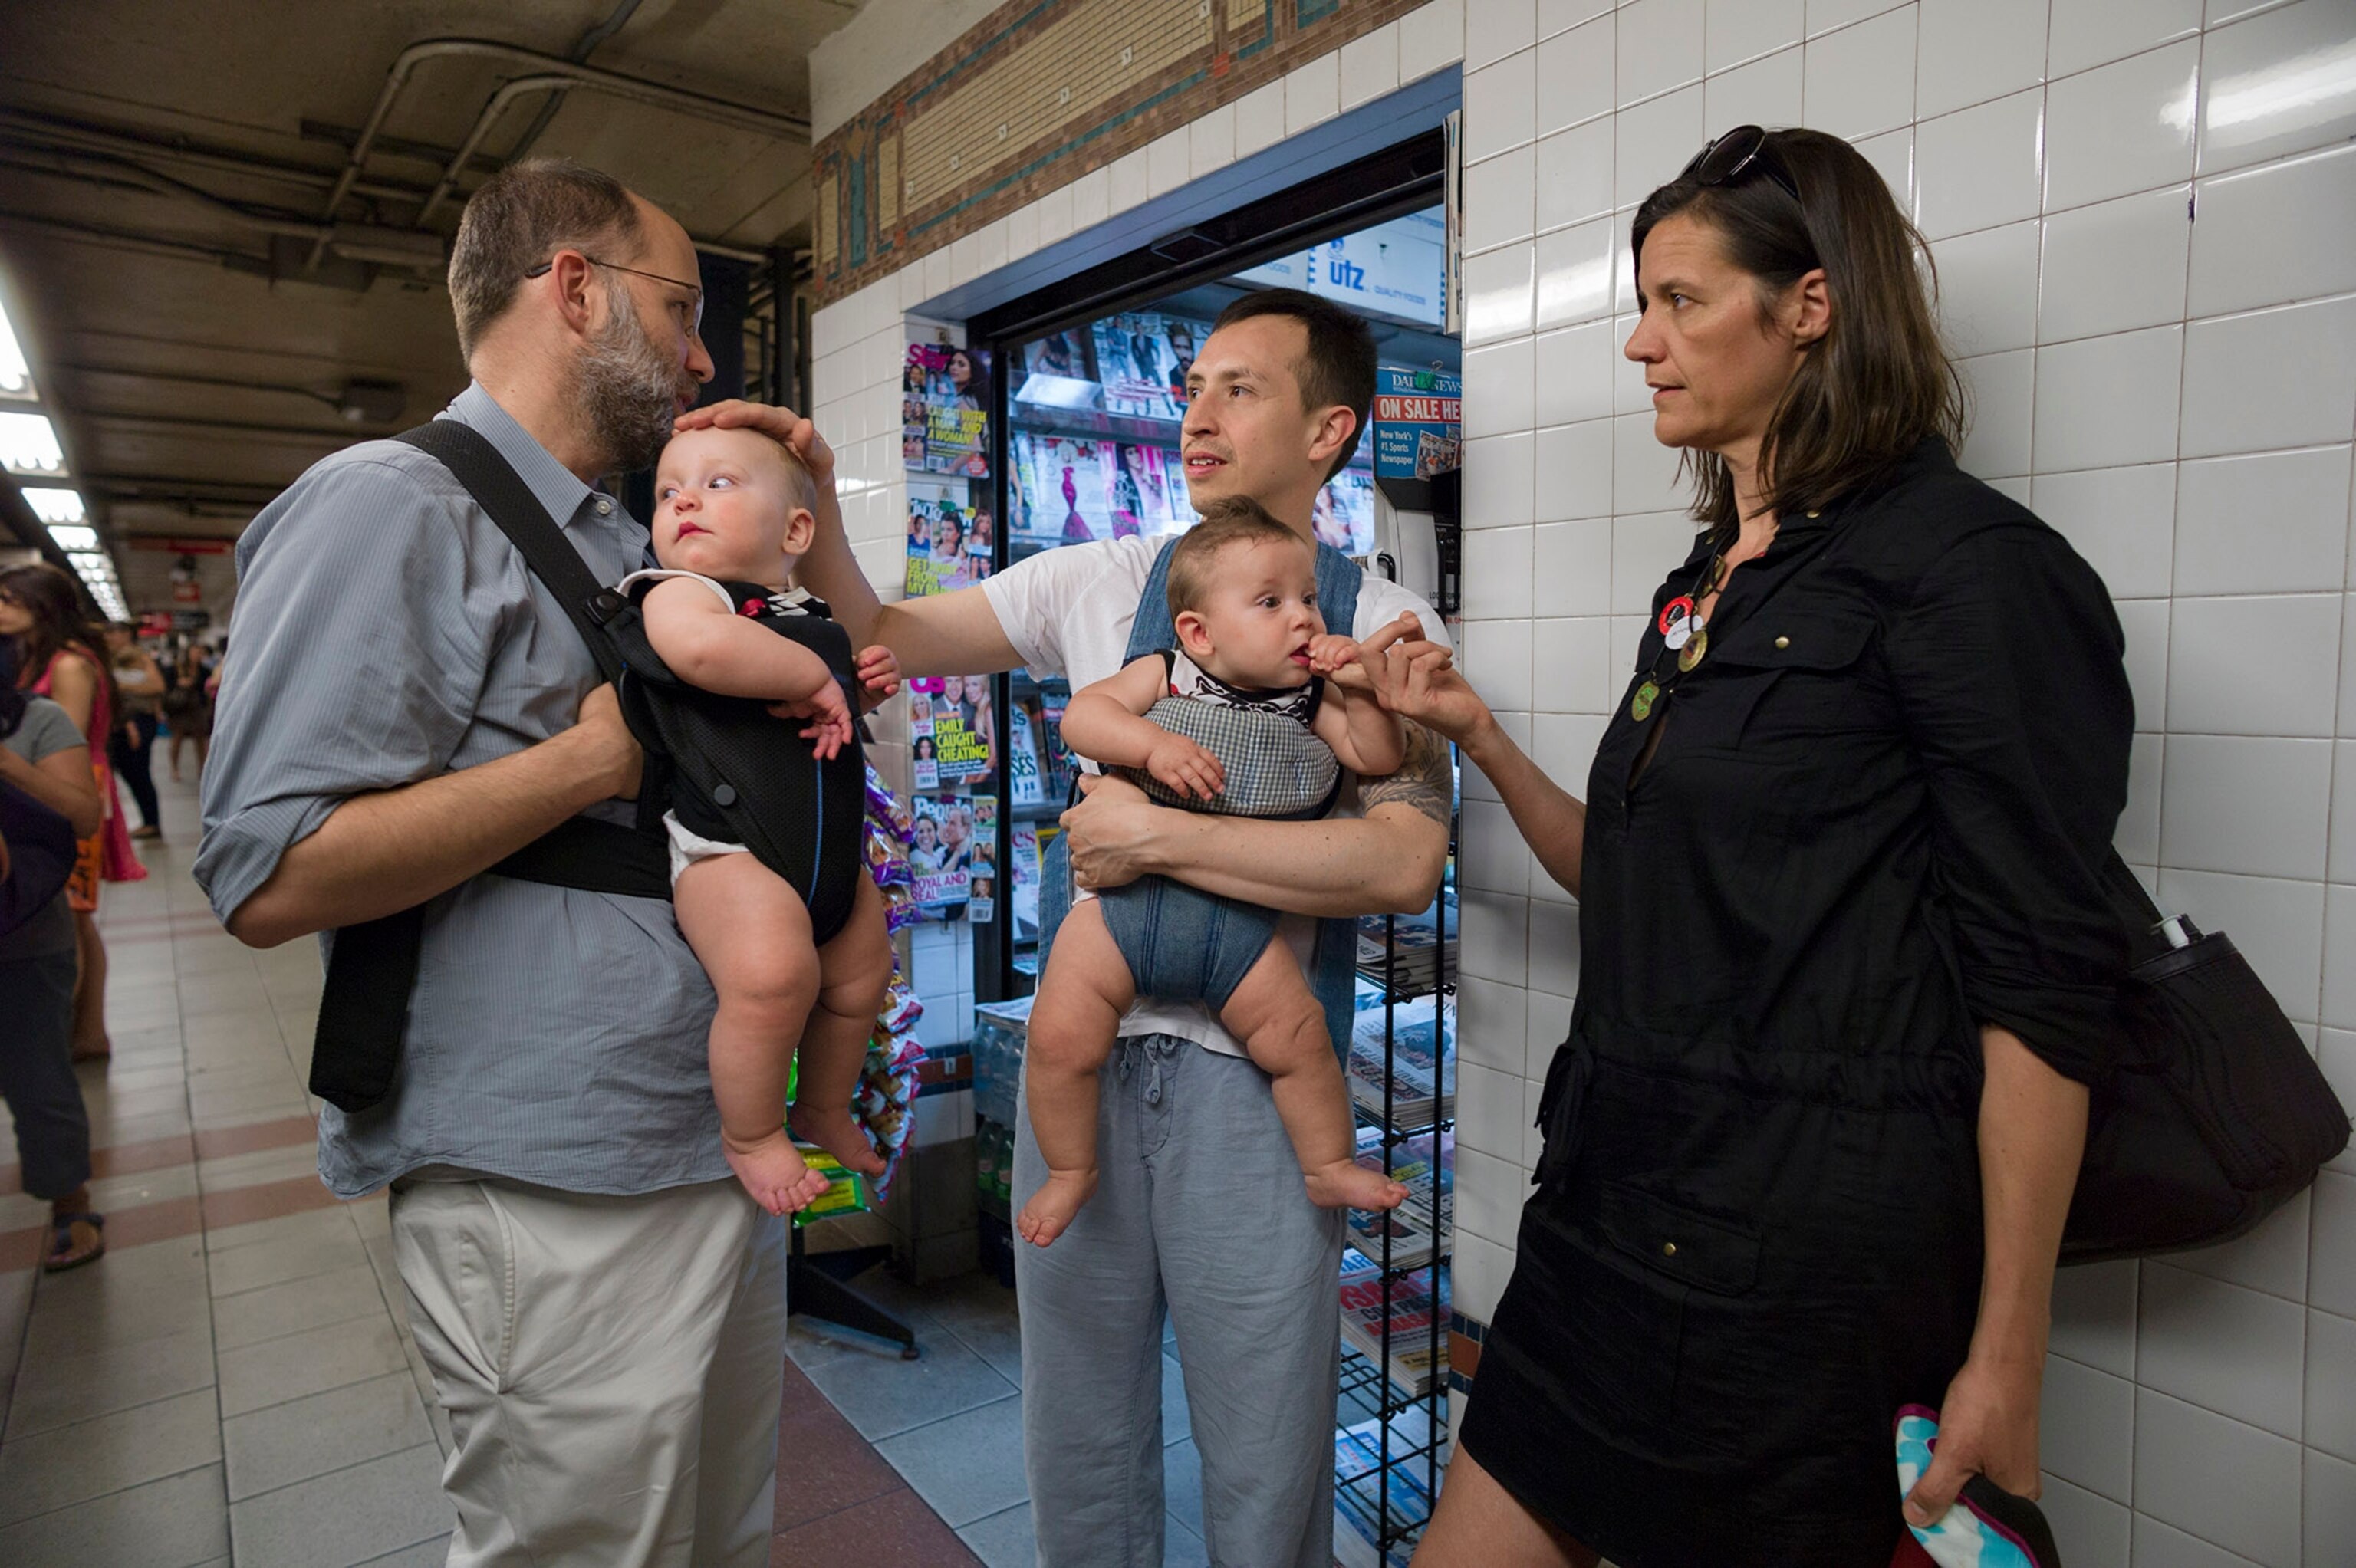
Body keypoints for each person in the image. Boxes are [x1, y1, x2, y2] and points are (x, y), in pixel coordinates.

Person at [1394, 127, 2132, 1567]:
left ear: (1809, 307)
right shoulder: (1706, 585)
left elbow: (2044, 992)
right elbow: (1639, 885)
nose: (1639, 343)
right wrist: (1472, 735)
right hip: (1606, 1219)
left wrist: (2008, 1354)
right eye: (1642, 302)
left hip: (1801, 1286)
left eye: (1679, 300)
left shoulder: (1972, 573)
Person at [683, 284, 1456, 1566]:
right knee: (1079, 1438)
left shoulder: (1380, 624)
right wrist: (811, 489)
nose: (1194, 411)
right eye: (1191, 384)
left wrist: (1159, 837)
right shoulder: (1100, 580)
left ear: (1328, 432)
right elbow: (885, 633)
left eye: (1237, 389)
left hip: (1259, 1086)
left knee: (1270, 1451)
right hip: (1079, 1068)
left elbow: (1403, 860)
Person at [198, 158, 791, 1566]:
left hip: (686, 1149)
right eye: (683, 305)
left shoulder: (624, 545)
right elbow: (266, 870)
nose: (704, 352)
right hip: (546, 1184)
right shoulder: (391, 502)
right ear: (574, 291)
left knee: (714, 1539)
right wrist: (584, 765)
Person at [1017, 498, 1411, 1247]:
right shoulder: (1164, 672)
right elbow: (1082, 719)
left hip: (1238, 931)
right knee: (1061, 1039)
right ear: (1199, 632)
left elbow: (1376, 757)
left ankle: (1327, 1161)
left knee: (1300, 1041)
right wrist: (1149, 746)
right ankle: (1071, 1169)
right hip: (1120, 916)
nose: (1301, 618)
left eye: (1307, 600)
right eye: (1270, 602)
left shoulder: (1310, 702)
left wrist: (1363, 690)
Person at [624, 423, 902, 1212]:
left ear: (795, 530)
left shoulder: (806, 609)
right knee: (775, 978)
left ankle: (822, 1104)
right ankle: (751, 1133)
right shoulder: (681, 592)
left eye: (717, 484)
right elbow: (701, 653)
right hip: (727, 853)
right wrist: (815, 671)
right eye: (669, 489)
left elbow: (827, 701)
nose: (684, 499)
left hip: (825, 858)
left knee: (861, 972)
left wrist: (858, 683)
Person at [0, 563, 142, 1062]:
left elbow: (67, 739)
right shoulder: (46, 658)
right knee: (78, 919)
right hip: (57, 790)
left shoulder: (67, 664)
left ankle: (61, 1030)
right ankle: (87, 1030)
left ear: (40, 607)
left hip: (71, 792)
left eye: (8, 600)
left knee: (68, 916)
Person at [0, 652, 106, 1271]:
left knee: (39, 1081)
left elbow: (84, 813)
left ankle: (71, 1200)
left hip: (26, 938)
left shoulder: (36, 719)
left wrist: (8, 766)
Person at [104, 622, 166, 839]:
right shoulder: (105, 658)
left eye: (118, 632)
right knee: (124, 771)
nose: (114, 637)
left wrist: (124, 687)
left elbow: (157, 686)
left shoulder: (141, 658)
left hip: (139, 719)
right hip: (116, 722)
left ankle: (151, 821)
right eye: (110, 633)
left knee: (138, 771)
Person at [166, 639, 215, 781]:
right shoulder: (176, 669)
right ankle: (175, 768)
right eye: (195, 652)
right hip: (180, 708)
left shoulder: (204, 670)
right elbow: (168, 687)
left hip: (197, 708)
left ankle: (202, 769)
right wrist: (180, 684)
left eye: (200, 652)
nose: (197, 655)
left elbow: (207, 688)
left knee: (200, 740)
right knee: (177, 738)